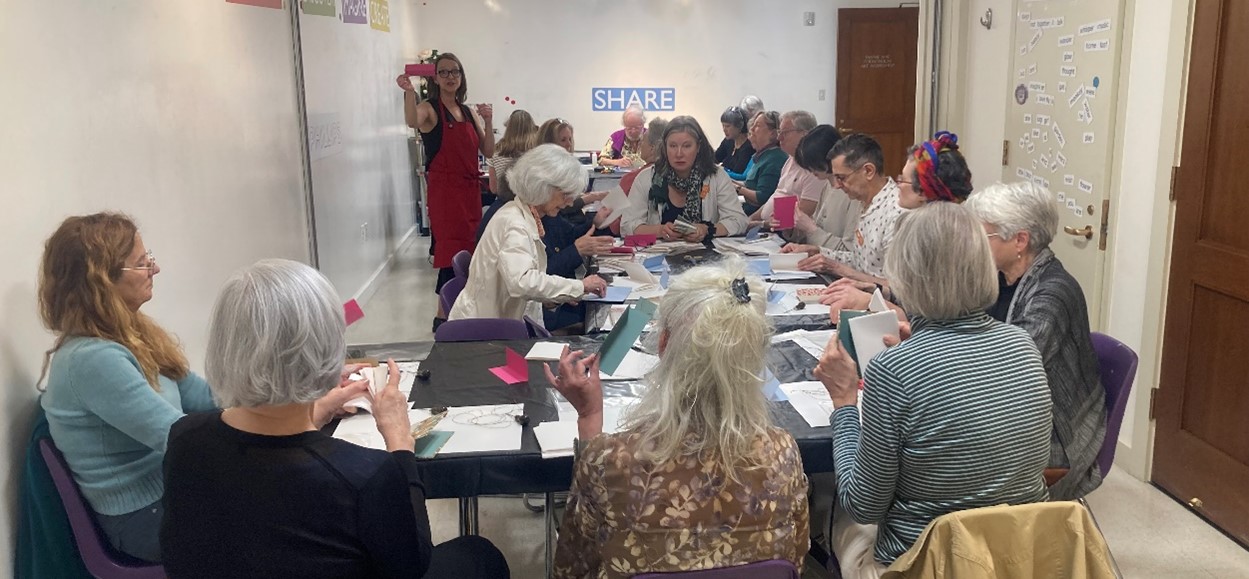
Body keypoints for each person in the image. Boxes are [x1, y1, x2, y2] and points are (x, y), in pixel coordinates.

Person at [36, 213, 368, 562]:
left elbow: (216, 399)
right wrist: (313, 411)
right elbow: (187, 443)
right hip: (144, 519)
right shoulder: (91, 360)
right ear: (102, 280)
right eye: (141, 263)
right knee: (312, 516)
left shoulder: (132, 335)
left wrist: (309, 382)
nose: (155, 268)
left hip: (174, 490)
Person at [160, 259, 509, 578]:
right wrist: (400, 445)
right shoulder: (364, 475)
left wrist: (316, 408)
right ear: (325, 350)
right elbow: (412, 565)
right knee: (480, 554)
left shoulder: (184, 438)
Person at [813, 202, 1053, 578]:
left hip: (925, 562)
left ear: (906, 277)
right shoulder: (1022, 343)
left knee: (825, 495)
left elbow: (863, 505)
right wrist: (918, 346)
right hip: (1016, 556)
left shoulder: (893, 371)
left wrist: (844, 403)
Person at [549, 259, 810, 577]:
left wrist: (590, 416)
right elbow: (794, 562)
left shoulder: (613, 462)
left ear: (663, 344)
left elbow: (572, 567)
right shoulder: (781, 453)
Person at [967, 181, 1107, 500]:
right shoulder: (999, 278)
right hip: (1015, 410)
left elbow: (1006, 368)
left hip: (1059, 435)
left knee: (936, 458)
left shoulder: (1051, 294)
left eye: (981, 236)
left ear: (1020, 240)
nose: (972, 245)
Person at [450, 144, 608, 324]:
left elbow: (521, 281)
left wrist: (556, 295)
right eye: (565, 195)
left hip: (499, 320)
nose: (570, 203)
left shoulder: (523, 214)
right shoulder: (515, 224)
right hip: (487, 329)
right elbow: (522, 282)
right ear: (542, 187)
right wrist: (579, 286)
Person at [821, 131, 974, 313]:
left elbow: (920, 308)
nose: (897, 185)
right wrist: (873, 289)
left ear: (924, 192)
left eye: (903, 180)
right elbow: (907, 292)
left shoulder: (915, 229)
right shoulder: (942, 226)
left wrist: (869, 298)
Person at [397, 53, 495, 306]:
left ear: (462, 77)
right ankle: (445, 315)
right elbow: (411, 121)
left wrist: (488, 119)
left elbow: (489, 151)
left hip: (469, 192)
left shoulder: (468, 112)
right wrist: (409, 92)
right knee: (450, 254)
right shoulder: (429, 108)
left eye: (455, 72)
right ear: (436, 78)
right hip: (446, 195)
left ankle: (465, 309)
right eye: (444, 72)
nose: (450, 77)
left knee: (470, 252)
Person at [780, 133, 905, 284]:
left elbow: (899, 289)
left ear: (868, 171)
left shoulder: (897, 213)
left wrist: (836, 267)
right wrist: (817, 252)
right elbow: (860, 261)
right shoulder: (867, 202)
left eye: (842, 178)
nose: (837, 185)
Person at [620, 115, 749, 241]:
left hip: (707, 258)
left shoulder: (717, 177)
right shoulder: (646, 178)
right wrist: (660, 230)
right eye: (673, 146)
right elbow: (627, 226)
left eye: (687, 146)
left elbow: (739, 221)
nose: (679, 154)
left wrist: (707, 230)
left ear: (698, 147)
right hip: (658, 257)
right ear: (664, 147)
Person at [778, 125, 860, 250]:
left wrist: (809, 227)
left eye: (812, 163)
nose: (809, 170)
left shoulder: (852, 194)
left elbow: (849, 252)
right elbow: (814, 234)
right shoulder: (827, 185)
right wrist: (790, 227)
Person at [749, 110, 825, 224]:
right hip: (768, 226)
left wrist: (759, 224)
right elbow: (776, 197)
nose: (779, 138)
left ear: (804, 134)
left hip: (787, 233)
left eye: (785, 132)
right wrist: (750, 220)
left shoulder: (814, 169)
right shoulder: (790, 160)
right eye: (779, 132)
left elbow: (800, 215)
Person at [736, 111, 788, 216]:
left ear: (773, 134)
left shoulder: (775, 159)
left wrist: (737, 189)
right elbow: (750, 184)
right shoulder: (762, 155)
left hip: (756, 217)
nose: (751, 129)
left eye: (757, 126)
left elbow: (762, 198)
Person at [488, 109, 539, 198]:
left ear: (508, 127)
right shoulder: (538, 151)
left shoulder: (495, 150)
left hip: (504, 202)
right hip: (532, 202)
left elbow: (494, 189)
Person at [715, 105, 755, 177]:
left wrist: (721, 169)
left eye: (727, 126)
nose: (724, 129)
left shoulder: (749, 146)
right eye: (723, 126)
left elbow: (739, 172)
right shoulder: (728, 141)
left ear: (740, 126)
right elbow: (715, 158)